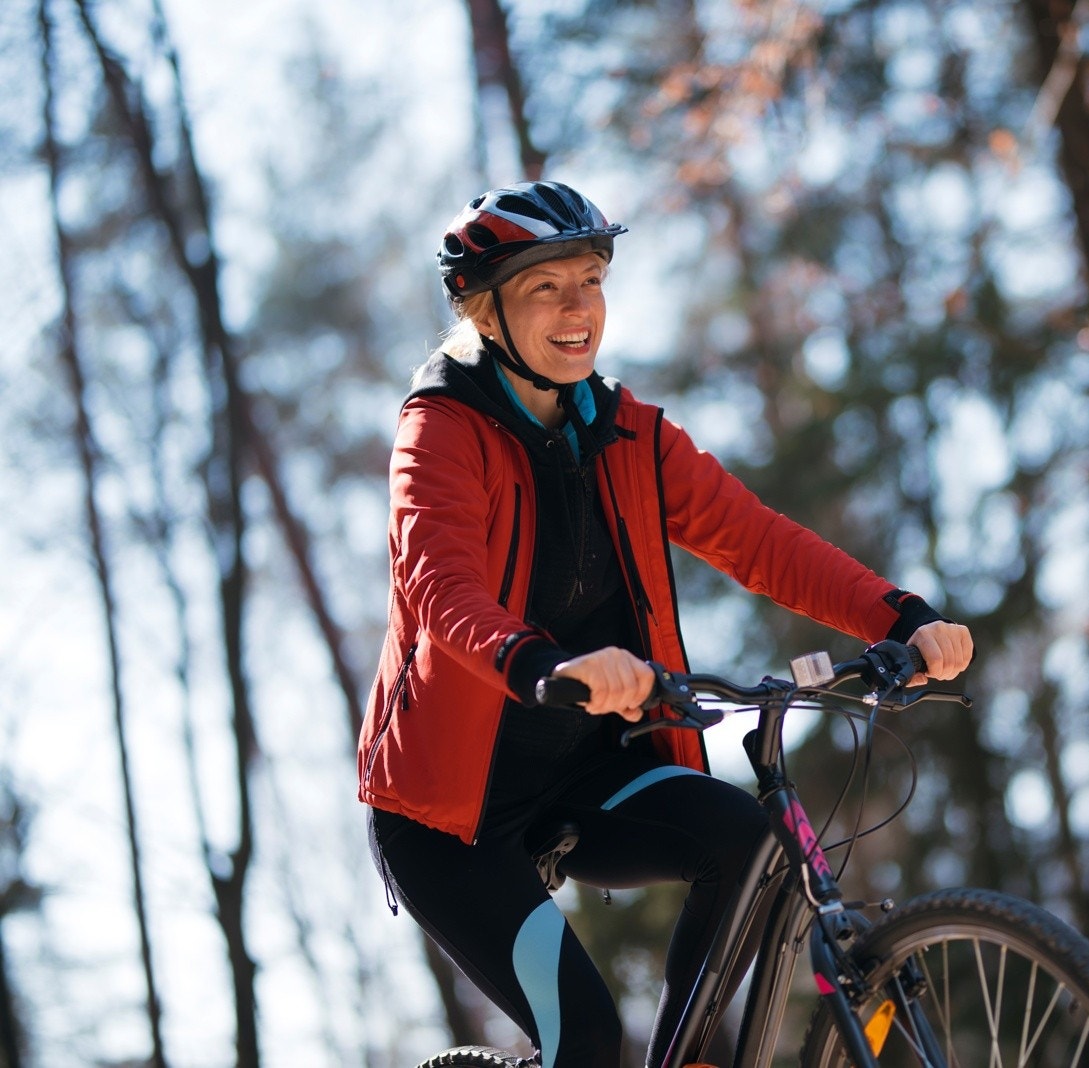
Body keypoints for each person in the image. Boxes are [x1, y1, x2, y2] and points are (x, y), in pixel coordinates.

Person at [357, 180, 973, 1068]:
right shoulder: (441, 430)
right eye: (545, 288)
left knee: (750, 843)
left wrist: (903, 616)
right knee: (590, 1038)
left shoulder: (629, 435)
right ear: (486, 314)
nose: (579, 309)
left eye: (591, 280)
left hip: (585, 773)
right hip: (452, 816)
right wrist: (537, 664)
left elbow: (760, 541)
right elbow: (437, 585)